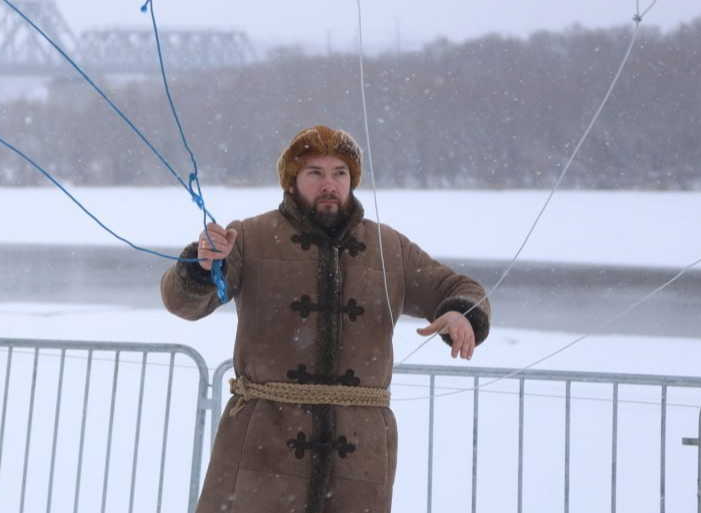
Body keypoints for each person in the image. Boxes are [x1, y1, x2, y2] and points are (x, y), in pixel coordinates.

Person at [161, 125, 491, 513]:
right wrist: (202, 266)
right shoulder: (249, 237)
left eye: (340, 173)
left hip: (359, 453)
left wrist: (459, 312)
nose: (329, 184)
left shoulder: (389, 248)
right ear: (292, 181)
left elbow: (462, 287)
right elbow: (181, 302)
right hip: (260, 446)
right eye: (314, 173)